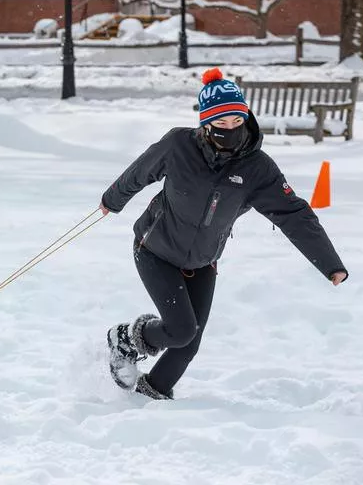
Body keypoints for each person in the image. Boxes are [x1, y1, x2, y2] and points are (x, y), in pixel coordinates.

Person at [100, 68, 348, 400]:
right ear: (205, 123)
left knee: (188, 345)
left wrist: (330, 264)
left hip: (203, 261)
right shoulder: (179, 145)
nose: (230, 129)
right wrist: (112, 200)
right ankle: (125, 340)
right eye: (221, 123)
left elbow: (293, 214)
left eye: (236, 120)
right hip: (155, 250)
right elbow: (140, 172)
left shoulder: (257, 169)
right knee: (181, 330)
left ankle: (149, 398)